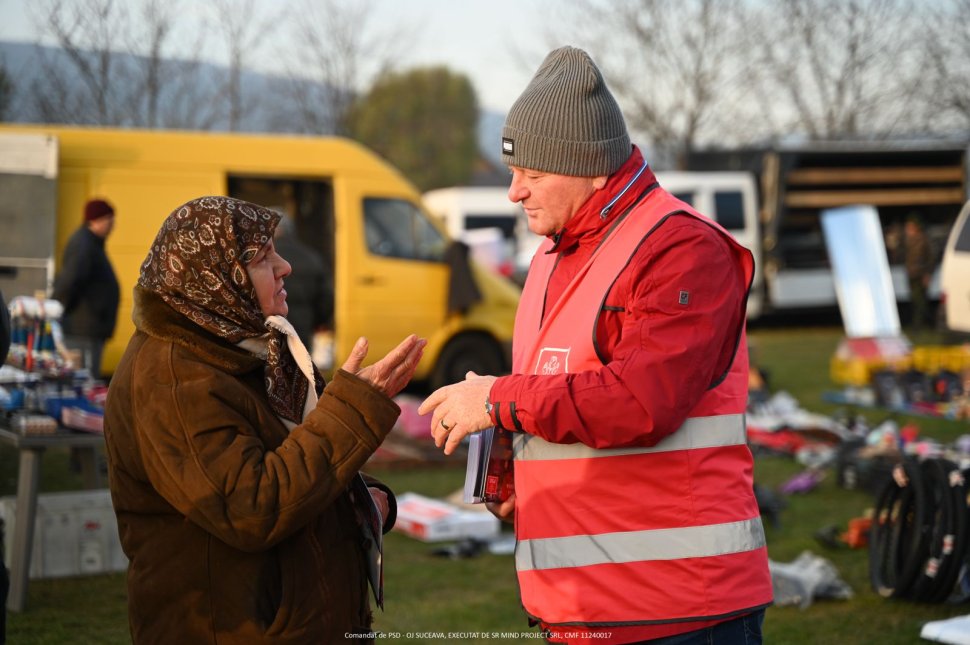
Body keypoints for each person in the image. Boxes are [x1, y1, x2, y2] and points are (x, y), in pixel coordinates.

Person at [419, 46, 772, 644]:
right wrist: (521, 474)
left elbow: (640, 400)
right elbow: (565, 390)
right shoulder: (554, 253)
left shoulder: (682, 250)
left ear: (594, 169)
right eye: (513, 172)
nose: (514, 192)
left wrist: (498, 400)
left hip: (680, 609)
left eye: (533, 174)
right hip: (585, 607)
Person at [103, 196, 426, 644]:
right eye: (261, 258)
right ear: (215, 276)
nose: (284, 267)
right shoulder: (173, 380)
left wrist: (359, 498)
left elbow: (286, 454)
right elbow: (251, 506)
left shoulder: (239, 347)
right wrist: (352, 408)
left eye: (276, 251)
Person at [51, 198, 120, 378]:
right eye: (109, 221)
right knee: (84, 379)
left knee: (87, 377)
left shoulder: (92, 244)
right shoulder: (84, 245)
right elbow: (70, 281)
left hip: (88, 329)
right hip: (82, 330)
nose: (113, 226)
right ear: (95, 220)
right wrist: (57, 312)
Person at [271, 215, 333, 344]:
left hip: (271, 329)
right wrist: (316, 322)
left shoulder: (260, 258)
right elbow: (326, 298)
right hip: (302, 331)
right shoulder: (312, 256)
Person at [904, 212, 933, 330]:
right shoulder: (908, 241)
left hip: (920, 274)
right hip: (911, 274)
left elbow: (930, 258)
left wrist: (928, 274)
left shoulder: (923, 240)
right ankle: (921, 323)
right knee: (915, 300)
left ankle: (922, 324)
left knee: (920, 300)